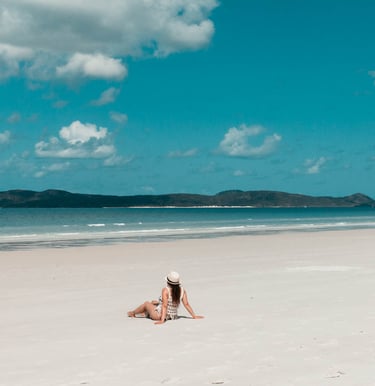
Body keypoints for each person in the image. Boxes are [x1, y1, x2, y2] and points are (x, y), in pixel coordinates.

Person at [127, 271, 204, 324]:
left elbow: (165, 306)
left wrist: (162, 320)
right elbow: (186, 304)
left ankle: (133, 313)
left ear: (168, 281)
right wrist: (194, 316)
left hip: (160, 315)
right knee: (154, 302)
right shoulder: (182, 290)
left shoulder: (166, 290)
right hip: (173, 316)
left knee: (146, 303)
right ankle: (145, 313)